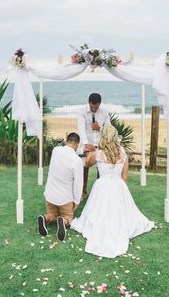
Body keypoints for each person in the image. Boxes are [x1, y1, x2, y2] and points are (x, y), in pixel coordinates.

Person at [71, 125, 154, 258]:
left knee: (98, 211)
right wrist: (122, 194)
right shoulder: (123, 153)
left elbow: (86, 164)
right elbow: (124, 178)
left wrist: (92, 152)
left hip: (101, 186)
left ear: (102, 137)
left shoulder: (98, 154)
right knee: (120, 213)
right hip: (118, 186)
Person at [38, 132, 84, 242]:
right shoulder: (77, 161)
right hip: (65, 199)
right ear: (77, 144)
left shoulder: (56, 151)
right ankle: (63, 221)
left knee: (52, 215)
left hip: (49, 196)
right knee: (69, 217)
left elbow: (66, 149)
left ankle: (45, 218)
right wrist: (77, 201)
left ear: (66, 140)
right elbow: (78, 184)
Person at [76, 93, 111, 196]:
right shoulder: (82, 111)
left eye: (96, 107)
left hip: (100, 145)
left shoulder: (104, 111)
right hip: (86, 145)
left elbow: (109, 130)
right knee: (83, 168)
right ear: (89, 103)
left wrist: (100, 128)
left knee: (101, 169)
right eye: (92, 107)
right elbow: (81, 129)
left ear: (99, 104)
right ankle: (83, 192)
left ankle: (99, 193)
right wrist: (86, 144)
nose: (94, 109)